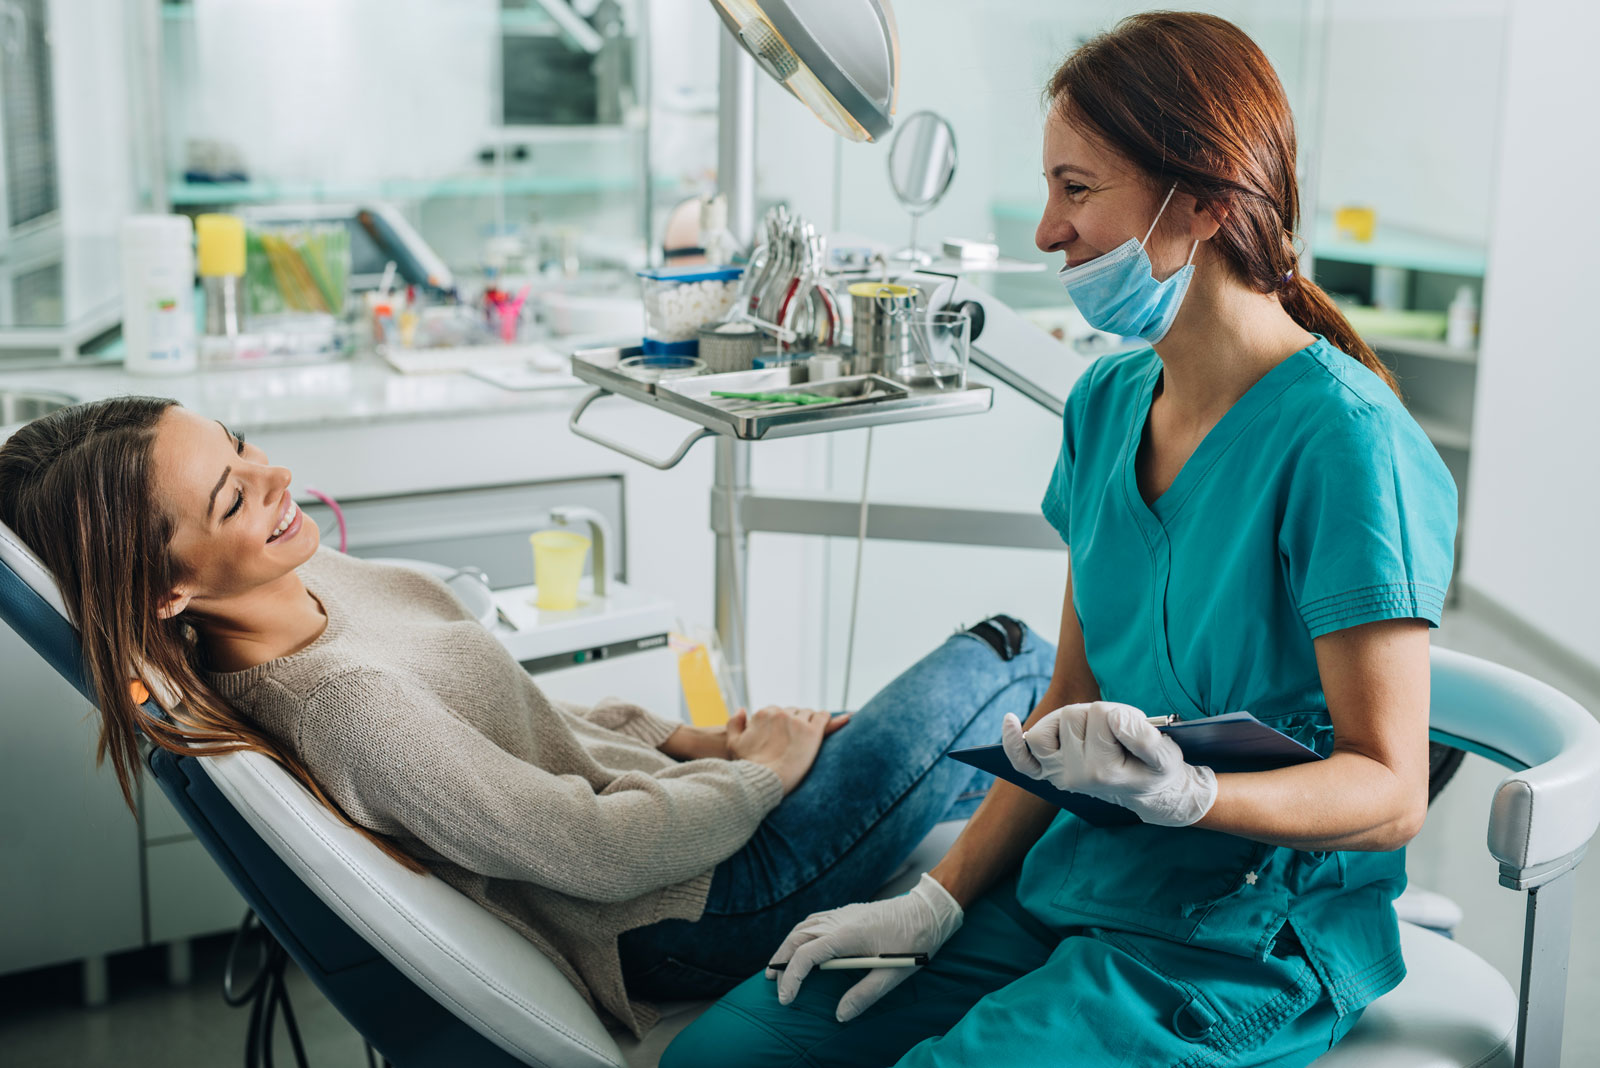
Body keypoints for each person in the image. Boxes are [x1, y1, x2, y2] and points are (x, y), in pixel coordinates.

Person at [663, 12, 1457, 1067]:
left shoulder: (1345, 446)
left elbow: (1391, 789)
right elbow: (1062, 706)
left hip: (1234, 938)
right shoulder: (1108, 402)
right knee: (722, 1057)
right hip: (1074, 883)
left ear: (1208, 200)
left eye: (1076, 190)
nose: (1046, 231)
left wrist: (1193, 795)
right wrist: (934, 905)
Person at [0, 395, 1054, 1038]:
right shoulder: (343, 705)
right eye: (233, 499)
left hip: (682, 818)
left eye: (241, 448)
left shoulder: (308, 590)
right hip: (691, 910)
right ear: (164, 594)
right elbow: (585, 850)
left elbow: (525, 713)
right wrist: (761, 776)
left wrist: (694, 740)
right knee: (1009, 656)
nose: (276, 481)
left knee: (968, 750)